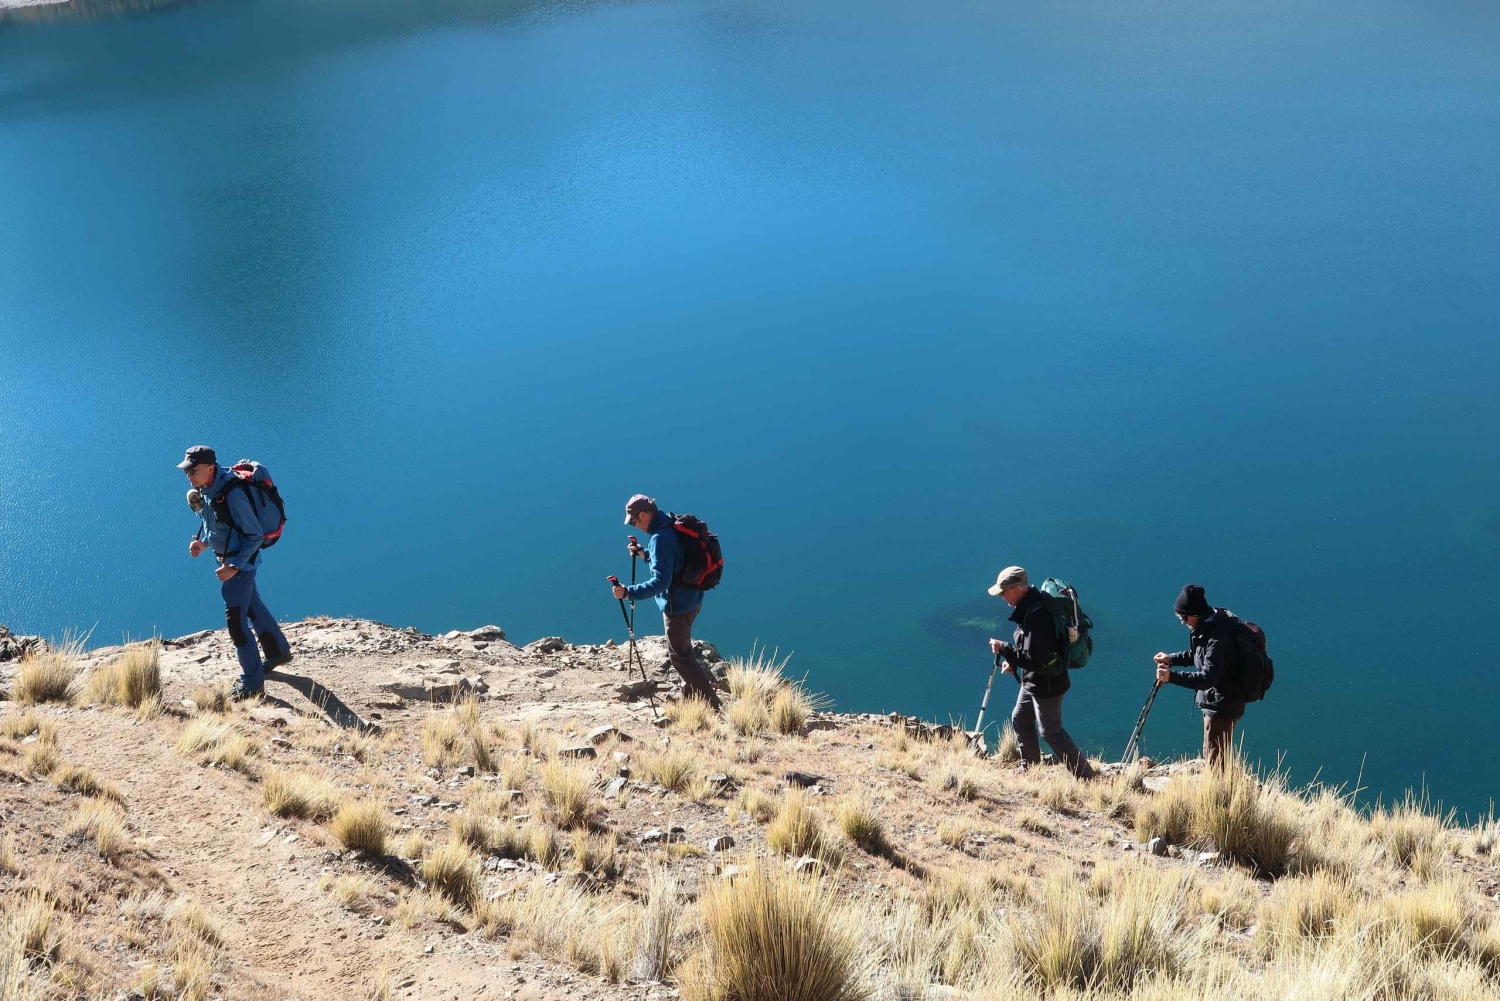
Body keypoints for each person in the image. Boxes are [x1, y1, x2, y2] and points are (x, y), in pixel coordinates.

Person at [179, 445, 291, 700]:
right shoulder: (208, 489)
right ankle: (278, 652)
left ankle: (252, 684)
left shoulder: (232, 495)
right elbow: (216, 524)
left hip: (239, 568)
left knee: (237, 625)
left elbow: (255, 535)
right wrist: (203, 544)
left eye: (193, 471)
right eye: (187, 471)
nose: (189, 476)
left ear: (210, 468)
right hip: (232, 562)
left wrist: (234, 567)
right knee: (253, 607)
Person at [610, 494, 722, 711]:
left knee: (680, 657)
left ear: (644, 515)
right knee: (683, 651)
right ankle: (690, 697)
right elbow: (673, 562)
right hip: (692, 598)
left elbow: (661, 582)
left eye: (633, 521)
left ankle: (711, 705)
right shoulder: (670, 524)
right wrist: (644, 554)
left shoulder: (660, 538)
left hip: (678, 607)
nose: (634, 526)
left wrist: (628, 592)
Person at [987, 565, 1095, 779]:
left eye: (1003, 592)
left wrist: (1005, 649)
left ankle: (1087, 778)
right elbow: (1034, 651)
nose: (1002, 597)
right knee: (1020, 718)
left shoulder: (1037, 616)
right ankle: (1031, 769)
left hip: (1048, 684)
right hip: (1035, 680)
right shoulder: (1031, 607)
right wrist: (1014, 661)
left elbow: (1035, 659)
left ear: (1016, 590)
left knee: (1051, 732)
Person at [1154, 584, 1241, 767]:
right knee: (1215, 753)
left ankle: (1219, 793)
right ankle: (1221, 789)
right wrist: (1171, 659)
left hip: (1223, 704)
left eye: (1183, 618)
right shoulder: (1209, 625)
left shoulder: (1217, 636)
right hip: (1221, 700)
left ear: (1193, 614)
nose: (1182, 622)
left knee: (1215, 758)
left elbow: (1208, 678)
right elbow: (1198, 655)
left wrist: (1172, 677)